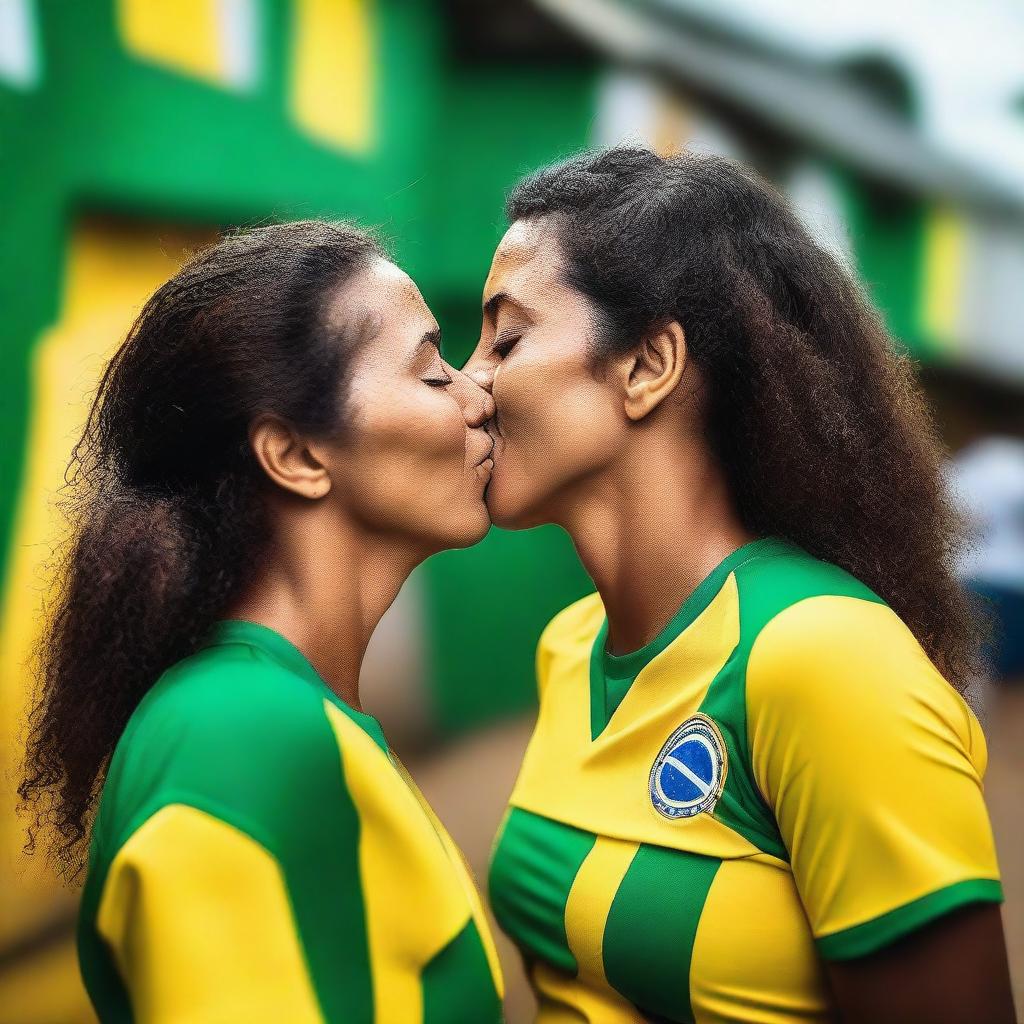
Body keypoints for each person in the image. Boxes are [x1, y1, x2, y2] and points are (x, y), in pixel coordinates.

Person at [464, 148, 1014, 1024]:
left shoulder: (828, 658)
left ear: (648, 365)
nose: (468, 384)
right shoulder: (570, 645)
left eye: (507, 336)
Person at [20, 221, 504, 1022]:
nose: (479, 394)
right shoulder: (242, 738)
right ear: (297, 456)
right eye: (431, 373)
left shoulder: (274, 713)